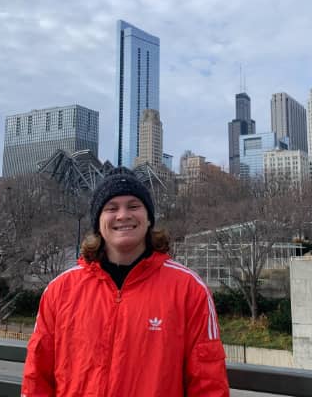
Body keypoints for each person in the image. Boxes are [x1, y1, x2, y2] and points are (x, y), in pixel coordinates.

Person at [21, 167, 229, 397]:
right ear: (98, 222)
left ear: (149, 219)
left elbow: (208, 384)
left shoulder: (189, 289)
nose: (122, 215)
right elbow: (37, 378)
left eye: (133, 206)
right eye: (111, 208)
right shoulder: (60, 290)